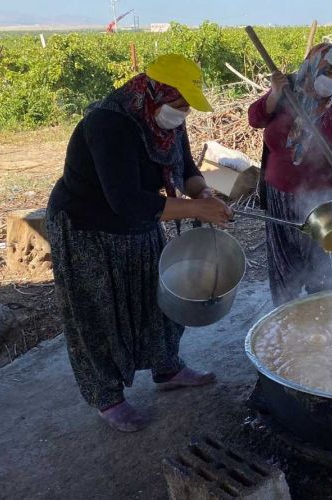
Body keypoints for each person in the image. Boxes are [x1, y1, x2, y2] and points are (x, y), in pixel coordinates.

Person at [46, 54, 233, 432]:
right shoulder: (108, 123)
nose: (182, 115)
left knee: (156, 297)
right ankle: (108, 397)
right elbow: (126, 200)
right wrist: (194, 208)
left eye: (186, 109)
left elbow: (188, 170)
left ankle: (167, 369)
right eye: (178, 105)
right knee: (99, 312)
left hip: (141, 222)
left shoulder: (165, 122)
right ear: (155, 93)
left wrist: (204, 194)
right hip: (88, 227)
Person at [248, 43, 332, 306]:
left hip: (320, 200)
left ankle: (322, 321)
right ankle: (285, 324)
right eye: (328, 72)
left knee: (321, 268)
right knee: (284, 266)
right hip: (278, 195)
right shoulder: (287, 89)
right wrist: (273, 95)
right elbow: (255, 119)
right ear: (313, 67)